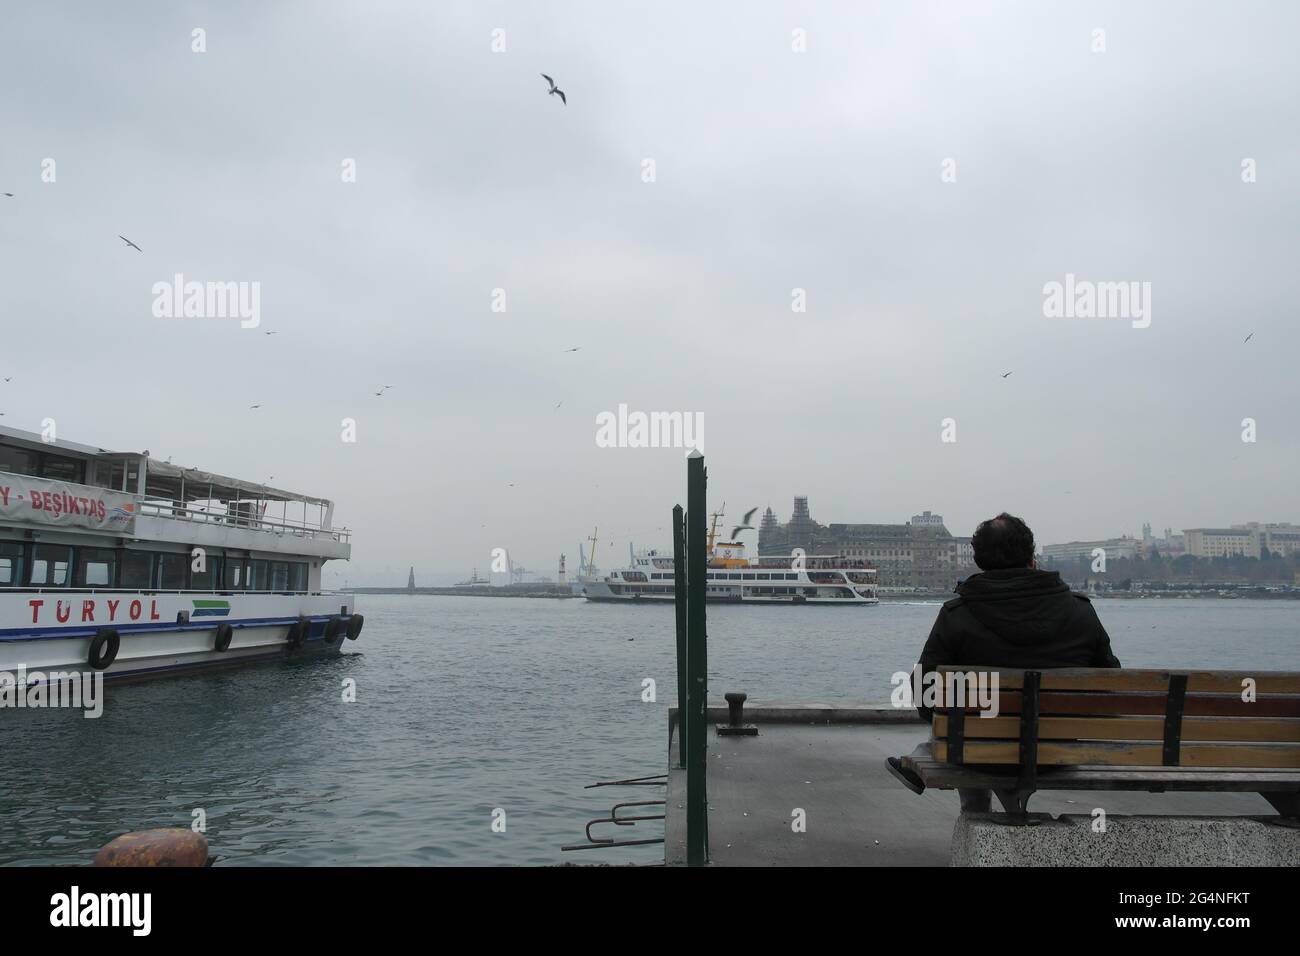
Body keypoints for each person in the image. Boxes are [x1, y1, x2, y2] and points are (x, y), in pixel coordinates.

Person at [914, 512, 1120, 811]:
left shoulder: (957, 615)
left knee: (962, 730)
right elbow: (1110, 686)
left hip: (976, 752)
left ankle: (976, 812)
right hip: (1056, 754)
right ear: (1031, 556)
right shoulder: (1081, 612)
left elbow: (925, 691)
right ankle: (1011, 804)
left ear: (980, 561)